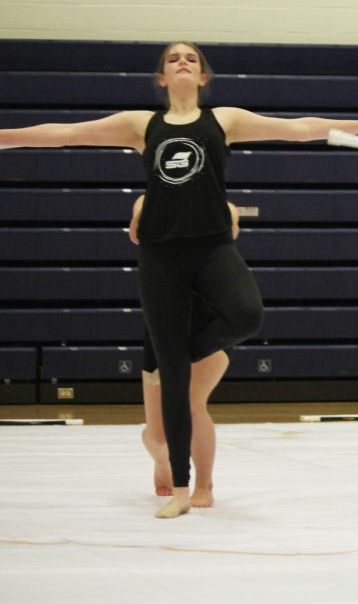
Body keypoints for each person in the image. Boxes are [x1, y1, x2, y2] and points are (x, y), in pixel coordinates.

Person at [0, 41, 358, 518]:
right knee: (172, 377)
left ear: (204, 77)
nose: (183, 62)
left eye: (191, 57)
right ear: (162, 79)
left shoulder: (225, 120)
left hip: (212, 247)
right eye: (173, 59)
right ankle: (180, 489)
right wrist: (0, 136)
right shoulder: (140, 125)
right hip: (161, 257)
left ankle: (179, 359)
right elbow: (64, 134)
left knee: (246, 314)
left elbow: (299, 129)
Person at [130, 194, 237, 504]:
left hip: (206, 322)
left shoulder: (221, 207)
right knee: (159, 434)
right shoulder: (149, 202)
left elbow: (230, 227)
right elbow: (137, 225)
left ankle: (204, 485)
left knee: (191, 403)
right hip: (163, 325)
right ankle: (164, 461)